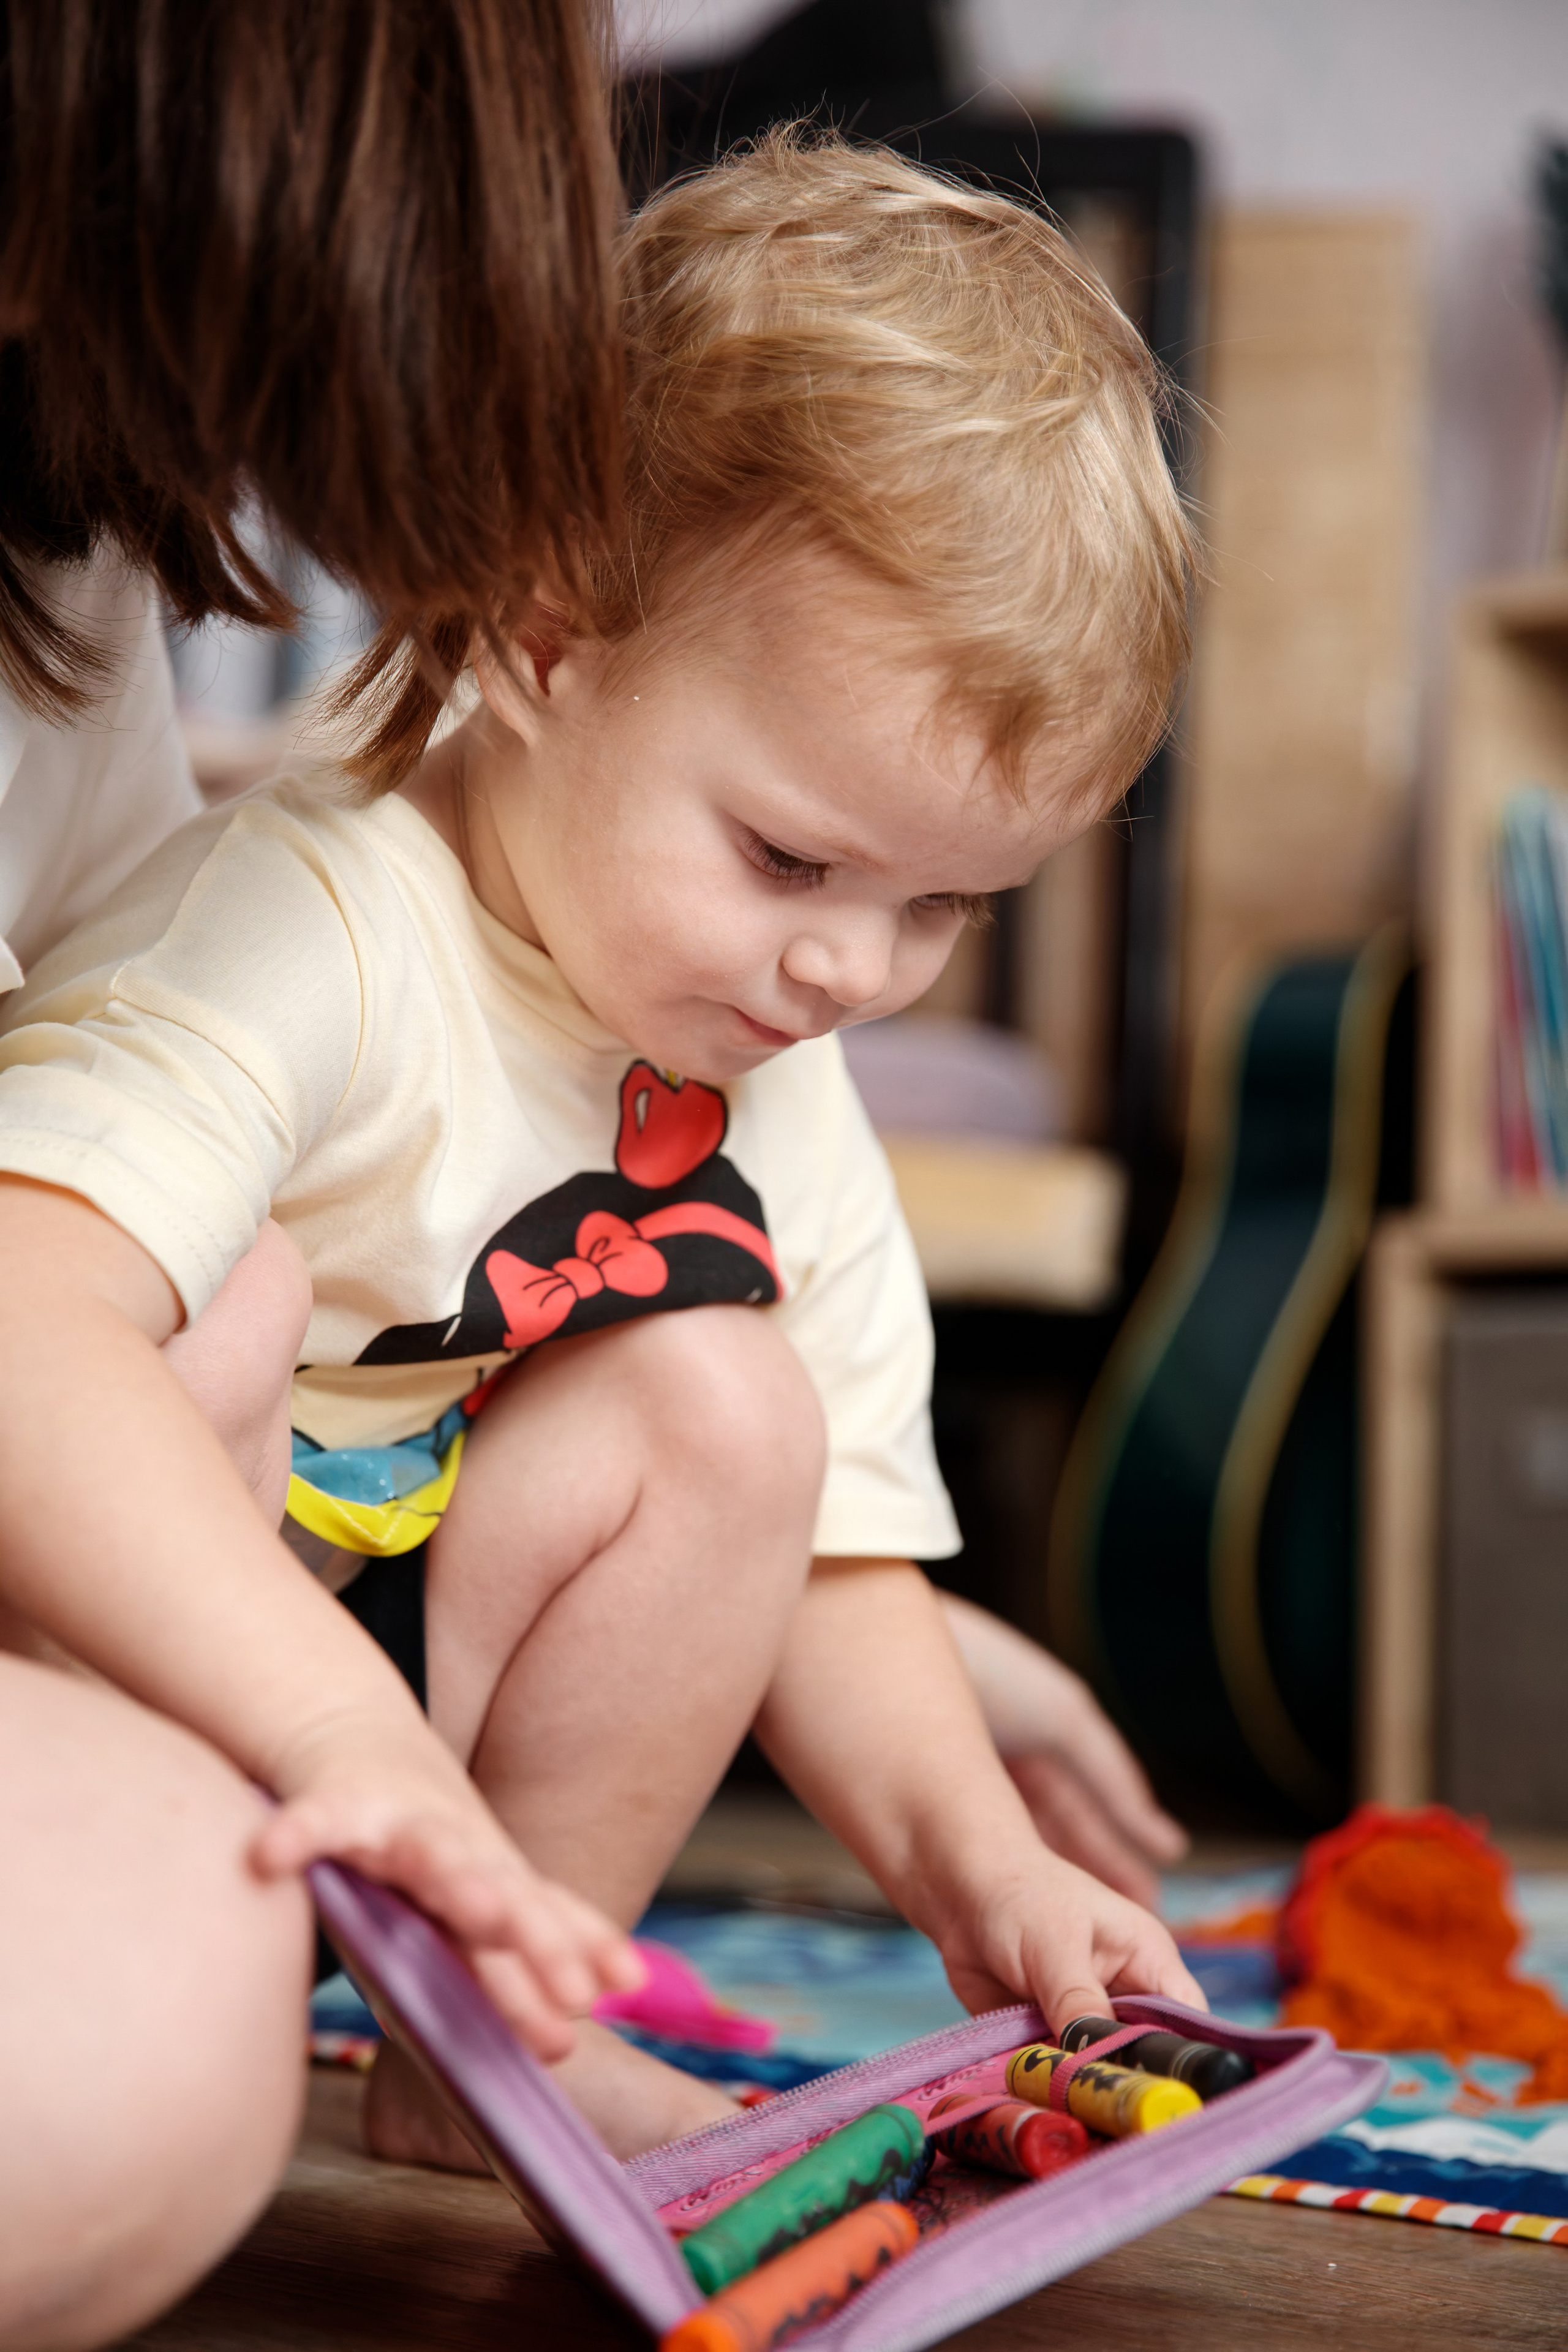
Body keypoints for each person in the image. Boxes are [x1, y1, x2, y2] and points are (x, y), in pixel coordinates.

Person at [0, 132, 1205, 2196]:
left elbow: (833, 1556)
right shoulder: (321, 919)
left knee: (735, 1405)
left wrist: (979, 1866)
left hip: (370, 1643)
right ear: (545, 640)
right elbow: (25, 1325)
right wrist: (334, 1736)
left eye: (943, 910)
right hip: (110, 1610)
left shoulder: (760, 1045)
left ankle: (485, 2040)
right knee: (230, 1314)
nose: (849, 969)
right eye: (793, 859)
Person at [0, 4, 633, 2344]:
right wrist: (349, 1735)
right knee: (157, 2036)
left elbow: (131, 1185)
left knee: (239, 1290)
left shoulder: (53, 580)